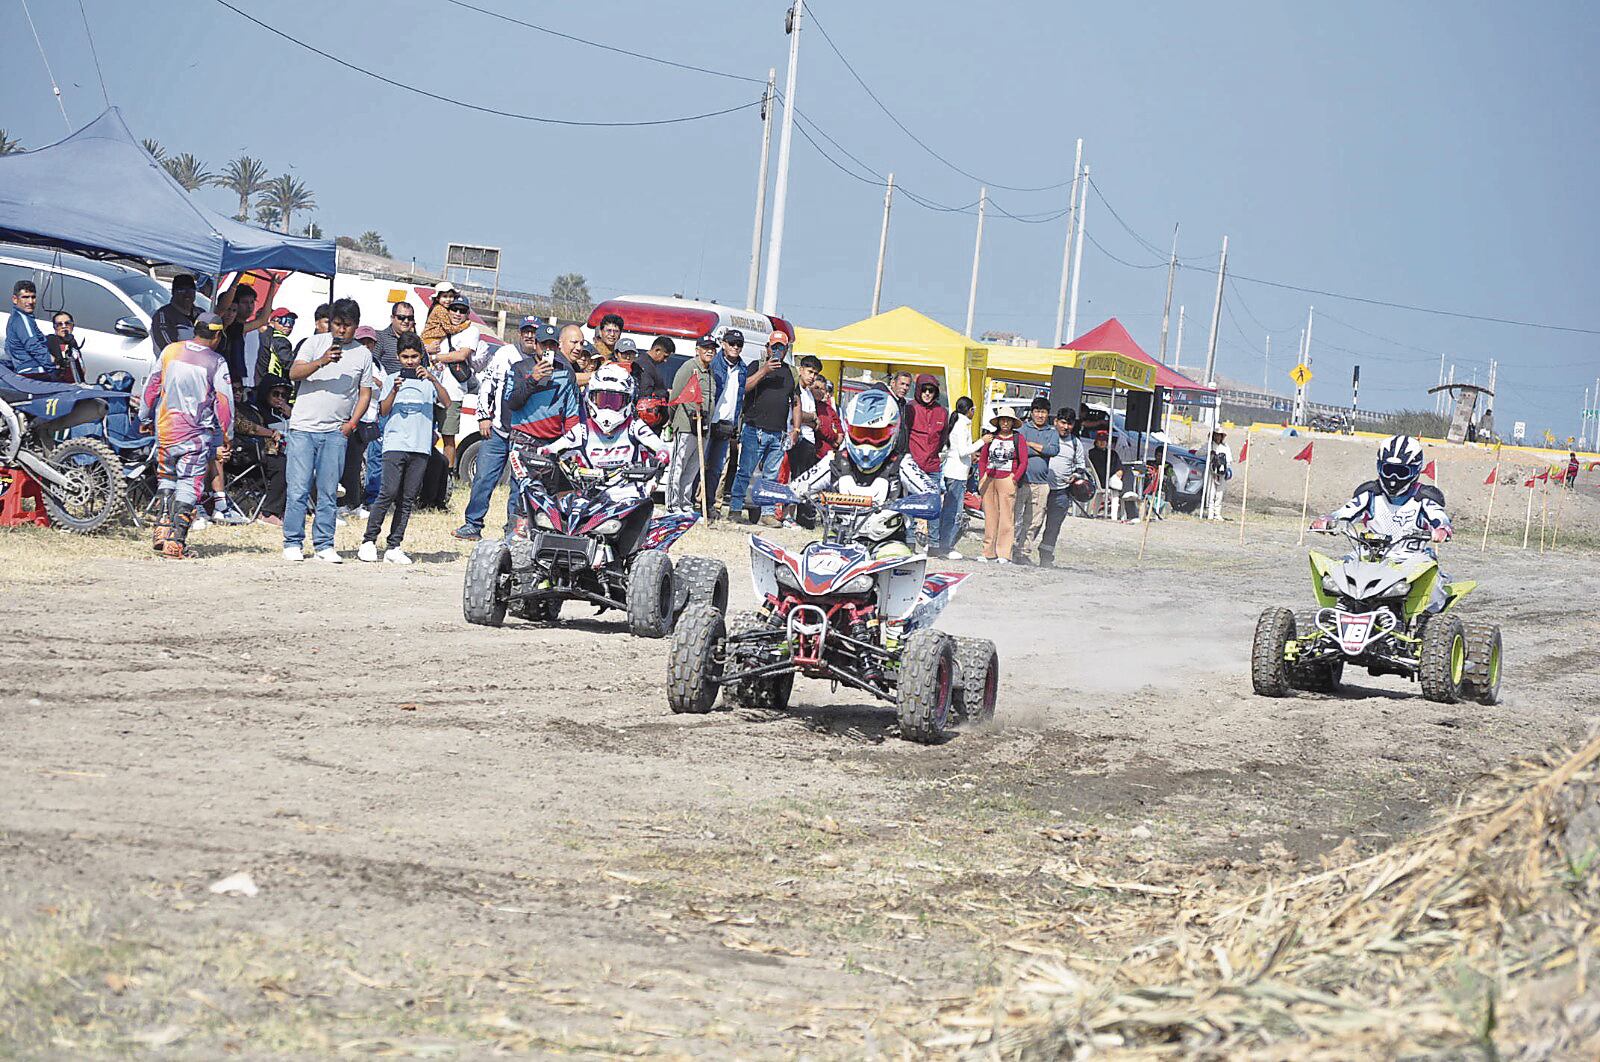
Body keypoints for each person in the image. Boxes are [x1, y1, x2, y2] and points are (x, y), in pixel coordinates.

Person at [282, 298, 375, 563]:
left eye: (348, 325)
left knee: (329, 491)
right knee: (298, 489)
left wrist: (352, 424)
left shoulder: (363, 354)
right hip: (303, 428)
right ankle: (292, 542)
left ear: (356, 325)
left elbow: (365, 393)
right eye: (337, 323)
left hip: (336, 432)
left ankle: (324, 544)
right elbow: (294, 373)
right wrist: (322, 361)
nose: (341, 330)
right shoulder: (313, 343)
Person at [139, 312, 233, 559]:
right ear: (217, 336)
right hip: (195, 435)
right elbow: (224, 401)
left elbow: (151, 386)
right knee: (189, 484)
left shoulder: (170, 351)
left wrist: (144, 417)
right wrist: (227, 433)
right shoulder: (216, 362)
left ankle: (161, 531)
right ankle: (176, 542)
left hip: (165, 430)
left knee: (167, 478)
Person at [1320, 435, 1452, 609]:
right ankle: (1336, 612)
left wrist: (1442, 530)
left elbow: (1440, 518)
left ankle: (1428, 618)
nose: (1394, 478)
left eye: (1401, 472)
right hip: (1368, 555)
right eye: (1389, 470)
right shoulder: (1370, 494)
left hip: (1411, 557)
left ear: (1415, 470)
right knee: (1335, 572)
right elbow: (1344, 512)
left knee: (1432, 582)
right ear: (1379, 467)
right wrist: (1327, 521)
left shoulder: (1424, 498)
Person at [361, 336, 449, 564]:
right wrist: (394, 390)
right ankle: (368, 541)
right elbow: (383, 411)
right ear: (398, 357)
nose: (410, 361)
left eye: (414, 356)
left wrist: (433, 379)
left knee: (407, 497)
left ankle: (394, 545)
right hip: (395, 444)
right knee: (388, 492)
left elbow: (447, 402)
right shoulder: (391, 379)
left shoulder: (429, 381)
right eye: (405, 357)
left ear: (421, 357)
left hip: (420, 447)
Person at [539, 364, 670, 517]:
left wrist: (659, 461)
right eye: (602, 399)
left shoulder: (634, 426)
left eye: (615, 401)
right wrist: (545, 452)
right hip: (592, 496)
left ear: (628, 400)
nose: (608, 408)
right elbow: (556, 446)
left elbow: (661, 447)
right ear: (590, 398)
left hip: (629, 497)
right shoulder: (583, 429)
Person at [455, 317, 543, 539]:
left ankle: (512, 530)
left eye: (534, 332)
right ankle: (473, 524)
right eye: (525, 331)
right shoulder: (505, 354)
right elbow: (488, 385)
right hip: (498, 430)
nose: (529, 336)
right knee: (483, 478)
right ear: (519, 333)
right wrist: (483, 416)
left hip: (525, 435)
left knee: (518, 485)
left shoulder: (544, 360)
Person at [789, 387, 935, 516]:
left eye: (876, 435)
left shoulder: (901, 463)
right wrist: (788, 493)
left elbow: (931, 492)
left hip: (888, 537)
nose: (867, 442)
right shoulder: (835, 460)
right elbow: (797, 487)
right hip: (841, 534)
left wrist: (921, 503)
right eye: (860, 433)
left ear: (893, 430)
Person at [497, 323, 583, 533]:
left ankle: (545, 535)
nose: (548, 350)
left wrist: (572, 447)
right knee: (521, 491)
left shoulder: (567, 372)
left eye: (552, 345)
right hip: (524, 438)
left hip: (554, 442)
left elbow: (572, 412)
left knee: (553, 493)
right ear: (535, 344)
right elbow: (511, 402)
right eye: (544, 345)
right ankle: (514, 535)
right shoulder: (519, 368)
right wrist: (532, 379)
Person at [729, 330, 801, 526]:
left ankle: (767, 513)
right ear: (767, 348)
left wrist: (796, 429)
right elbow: (744, 388)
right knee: (745, 471)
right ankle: (735, 508)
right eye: (774, 347)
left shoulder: (791, 372)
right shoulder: (756, 365)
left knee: (772, 476)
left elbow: (795, 401)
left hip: (778, 433)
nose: (777, 351)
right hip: (755, 429)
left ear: (786, 350)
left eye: (781, 348)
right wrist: (764, 371)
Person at [337, 325, 387, 519]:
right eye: (362, 341)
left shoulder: (377, 364)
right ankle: (343, 504)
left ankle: (354, 502)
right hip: (351, 417)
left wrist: (376, 382)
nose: (366, 345)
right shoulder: (349, 359)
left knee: (357, 463)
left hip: (369, 420)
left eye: (370, 342)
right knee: (346, 463)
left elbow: (383, 388)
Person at [665, 334, 717, 514]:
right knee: (678, 465)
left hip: (704, 427)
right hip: (686, 424)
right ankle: (672, 504)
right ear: (697, 350)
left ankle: (685, 503)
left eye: (712, 348)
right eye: (706, 348)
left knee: (693, 468)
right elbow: (675, 396)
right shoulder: (689, 367)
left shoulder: (710, 371)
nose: (709, 351)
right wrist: (673, 419)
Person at [1036, 408, 1093, 567]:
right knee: (1032, 523)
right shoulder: (1046, 436)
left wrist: (1075, 475)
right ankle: (1020, 553)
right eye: (1063, 422)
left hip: (1061, 492)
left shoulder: (1075, 443)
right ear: (1055, 421)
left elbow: (1080, 466)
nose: (1066, 427)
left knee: (1053, 527)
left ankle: (1046, 557)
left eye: (1069, 424)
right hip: (1040, 487)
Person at [703, 328, 748, 519]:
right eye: (732, 343)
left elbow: (739, 398)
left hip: (726, 424)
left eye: (739, 345)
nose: (735, 347)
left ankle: (709, 504)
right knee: (698, 465)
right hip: (708, 420)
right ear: (723, 344)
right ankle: (692, 502)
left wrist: (735, 425)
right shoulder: (714, 363)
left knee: (717, 469)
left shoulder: (742, 369)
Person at [1011, 397, 1060, 563]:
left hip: (1041, 483)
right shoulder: (1023, 429)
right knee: (1015, 518)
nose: (1040, 415)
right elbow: (1019, 449)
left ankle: (1023, 553)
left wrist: (1031, 445)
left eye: (1043, 412)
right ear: (1032, 413)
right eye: (1037, 411)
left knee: (1034, 521)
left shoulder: (1052, 432)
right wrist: (1041, 449)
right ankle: (1009, 549)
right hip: (1022, 481)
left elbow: (1053, 450)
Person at [976, 405, 1026, 563]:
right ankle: (988, 551)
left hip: (1007, 478)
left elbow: (1023, 461)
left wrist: (1014, 478)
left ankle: (1004, 553)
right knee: (990, 517)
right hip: (990, 478)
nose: (1005, 423)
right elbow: (982, 458)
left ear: (1012, 422)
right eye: (1002, 420)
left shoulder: (1018, 438)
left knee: (1006, 517)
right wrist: (982, 476)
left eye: (1008, 420)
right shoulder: (991, 437)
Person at [934, 396, 982, 559]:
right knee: (953, 511)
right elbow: (963, 451)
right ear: (970, 410)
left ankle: (941, 543)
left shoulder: (958, 424)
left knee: (949, 509)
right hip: (957, 474)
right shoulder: (961, 426)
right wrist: (982, 442)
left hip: (955, 472)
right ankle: (945, 546)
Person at [4, 281, 55, 379]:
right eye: (25, 297)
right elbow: (33, 346)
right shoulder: (22, 319)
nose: (30, 301)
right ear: (15, 299)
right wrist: (52, 365)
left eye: (33, 297)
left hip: (25, 369)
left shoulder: (21, 317)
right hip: (33, 370)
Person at [253, 308, 297, 403]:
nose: (288, 325)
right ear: (273, 321)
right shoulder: (280, 340)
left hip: (259, 385)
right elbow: (290, 364)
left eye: (292, 322)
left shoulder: (262, 336)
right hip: (275, 387)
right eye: (284, 321)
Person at [149, 273, 199, 354]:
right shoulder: (163, 315)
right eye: (181, 290)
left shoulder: (201, 313)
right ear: (173, 292)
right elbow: (168, 348)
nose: (187, 294)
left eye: (191, 290)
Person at [634, 336, 674, 432]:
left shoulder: (648, 365)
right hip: (647, 423)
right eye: (665, 356)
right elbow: (645, 396)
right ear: (657, 350)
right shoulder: (645, 366)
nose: (665, 360)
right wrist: (665, 394)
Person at [373, 300, 418, 375]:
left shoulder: (417, 340)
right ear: (392, 318)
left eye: (410, 318)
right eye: (401, 317)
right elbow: (373, 366)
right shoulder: (380, 338)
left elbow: (425, 366)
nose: (406, 321)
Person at [46, 311, 85, 382]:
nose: (64, 326)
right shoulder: (51, 340)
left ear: (72, 325)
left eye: (67, 323)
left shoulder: (73, 342)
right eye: (59, 324)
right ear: (54, 327)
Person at [1204, 429, 1233, 520]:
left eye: (1219, 435)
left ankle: (1217, 513)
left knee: (1219, 494)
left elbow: (1229, 460)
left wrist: (1225, 467)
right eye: (1216, 435)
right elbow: (1199, 453)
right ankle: (1210, 513)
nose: (1218, 437)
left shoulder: (1225, 447)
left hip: (1222, 472)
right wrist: (1210, 453)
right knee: (1211, 493)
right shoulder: (1209, 445)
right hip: (1212, 472)